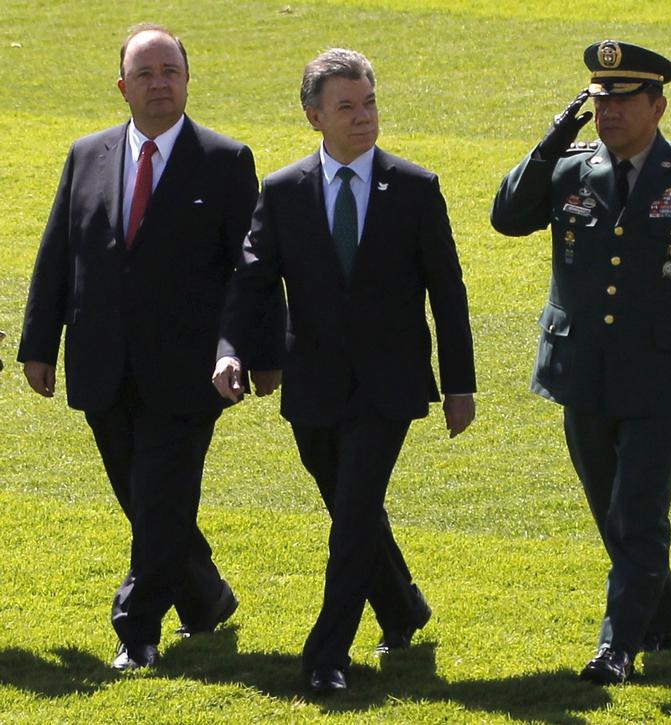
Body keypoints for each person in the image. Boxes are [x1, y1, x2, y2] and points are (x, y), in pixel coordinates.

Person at [491, 40, 671, 685]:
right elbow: (507, 217)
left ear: (658, 105)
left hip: (658, 376)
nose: (609, 113)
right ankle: (667, 625)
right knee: (612, 510)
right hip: (581, 372)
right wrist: (553, 136)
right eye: (598, 101)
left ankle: (616, 647)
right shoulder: (568, 171)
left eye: (623, 101)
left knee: (638, 512)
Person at [17, 23, 283, 671]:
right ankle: (206, 597)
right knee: (145, 500)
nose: (160, 83)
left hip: (191, 372)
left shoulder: (226, 160)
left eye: (171, 71)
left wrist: (264, 352)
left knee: (159, 497)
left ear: (188, 80)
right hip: (101, 362)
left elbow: (253, 269)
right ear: (122, 87)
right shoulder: (86, 155)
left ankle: (136, 629)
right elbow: (58, 255)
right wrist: (38, 344)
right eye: (146, 73)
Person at [213, 48, 477, 693]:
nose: (363, 119)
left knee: (355, 510)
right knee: (351, 508)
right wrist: (230, 350)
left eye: (369, 103)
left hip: (390, 385)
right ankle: (402, 606)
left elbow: (448, 290)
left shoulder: (415, 188)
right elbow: (250, 285)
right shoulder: (281, 192)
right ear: (314, 117)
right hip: (313, 385)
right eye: (346, 107)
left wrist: (460, 383)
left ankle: (327, 653)